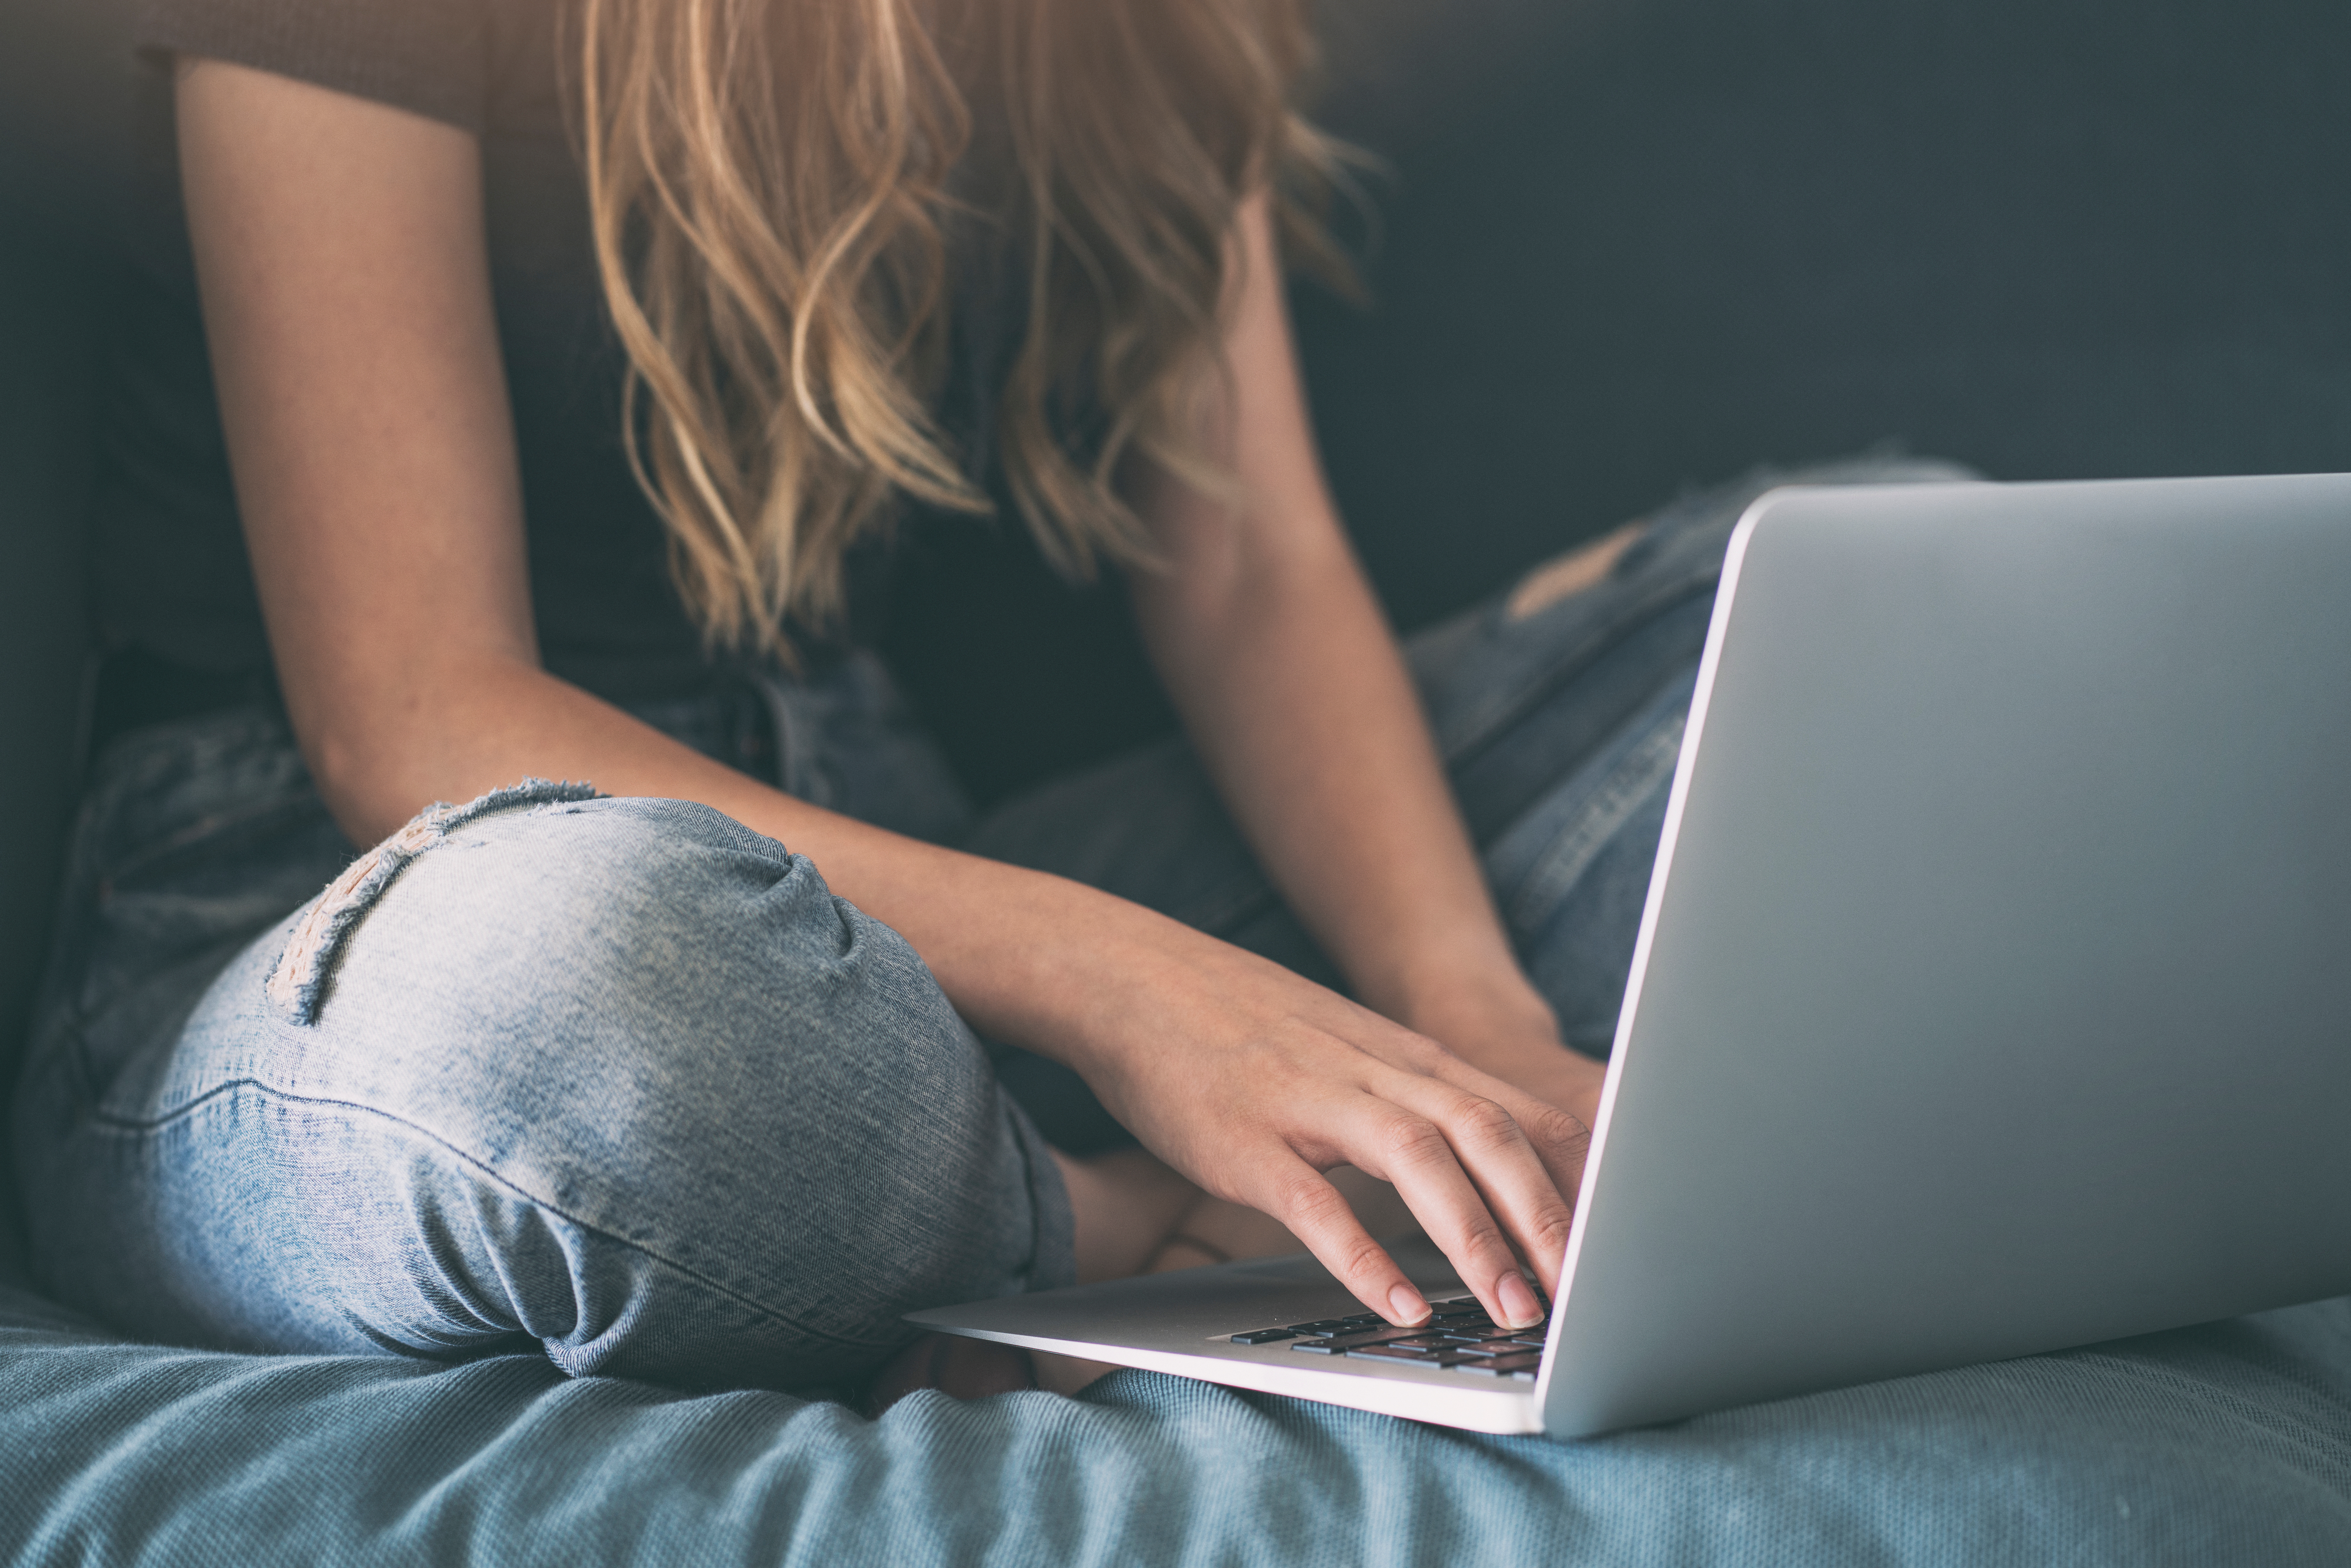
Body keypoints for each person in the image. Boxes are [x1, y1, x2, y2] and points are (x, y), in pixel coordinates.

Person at [11, 0, 1963, 1402]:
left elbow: (1253, 564)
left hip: (896, 899)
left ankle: (1003, 1194)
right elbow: (414, 712)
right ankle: (1105, 1231)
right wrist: (1151, 1004)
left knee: (1881, 605)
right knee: (611, 987)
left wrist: (1472, 1029)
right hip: (358, 905)